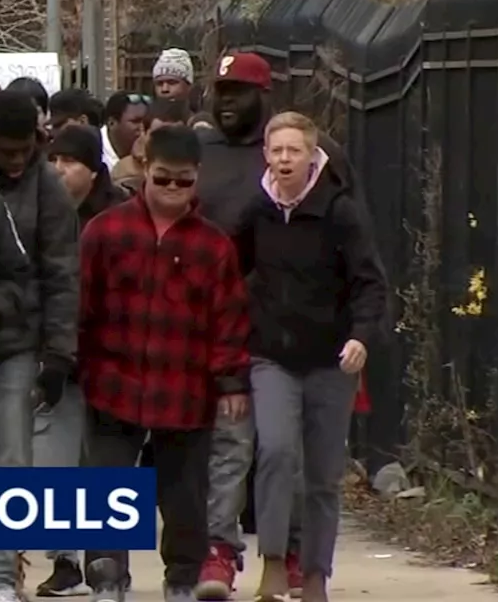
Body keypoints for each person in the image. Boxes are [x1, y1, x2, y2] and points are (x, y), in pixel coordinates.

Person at [193, 52, 360, 600]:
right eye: (220, 91)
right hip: (238, 337)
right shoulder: (207, 157)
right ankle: (227, 552)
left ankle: (301, 562)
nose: (227, 102)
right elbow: (219, 255)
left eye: (239, 91)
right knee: (248, 450)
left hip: (316, 340)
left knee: (305, 465)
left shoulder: (327, 181)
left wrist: (359, 329)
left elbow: (358, 262)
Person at [79, 124, 252, 602]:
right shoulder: (106, 231)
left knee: (185, 493)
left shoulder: (213, 246)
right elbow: (81, 303)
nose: (173, 190)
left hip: (186, 382)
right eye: (162, 179)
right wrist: (71, 362)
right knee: (108, 483)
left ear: (197, 177)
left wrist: (232, 379)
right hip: (112, 377)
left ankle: (181, 578)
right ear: (143, 172)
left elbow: (229, 317)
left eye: (183, 181)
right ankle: (107, 576)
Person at [235, 113, 387, 602]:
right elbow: (227, 273)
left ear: (312, 155)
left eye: (293, 151)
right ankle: (274, 561)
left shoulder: (340, 212)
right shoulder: (255, 211)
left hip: (331, 359)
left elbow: (370, 282)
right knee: (276, 452)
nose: (284, 160)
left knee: (322, 474)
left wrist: (362, 336)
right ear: (266, 155)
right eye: (276, 151)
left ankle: (316, 572)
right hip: (272, 357)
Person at [0, 90, 79, 602]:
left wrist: (59, 353)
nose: (17, 160)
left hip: (15, 345)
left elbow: (61, 272)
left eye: (25, 149)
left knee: (10, 463)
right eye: (6, 151)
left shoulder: (45, 186)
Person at [35, 123, 129, 597]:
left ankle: (109, 563)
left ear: (94, 170)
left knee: (103, 463)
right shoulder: (44, 213)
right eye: (53, 160)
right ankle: (67, 561)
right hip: (63, 359)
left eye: (69, 161)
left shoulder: (114, 218)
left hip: (108, 357)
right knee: (57, 462)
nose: (58, 170)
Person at [113, 98, 190, 193]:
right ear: (143, 132)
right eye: (159, 136)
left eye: (175, 137)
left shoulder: (196, 171)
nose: (167, 143)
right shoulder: (125, 174)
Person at [100, 92, 149, 171]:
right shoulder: (90, 151)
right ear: (111, 123)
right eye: (135, 121)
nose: (142, 128)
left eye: (146, 122)